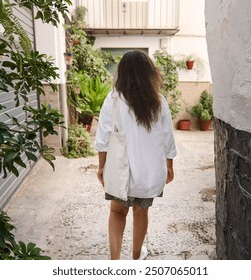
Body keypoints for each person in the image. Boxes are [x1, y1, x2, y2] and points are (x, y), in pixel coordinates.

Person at [94, 50, 177, 260]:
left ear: (121, 73)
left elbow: (102, 138)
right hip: (147, 173)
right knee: (141, 212)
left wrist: (102, 166)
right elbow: (168, 137)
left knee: (117, 212)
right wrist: (169, 166)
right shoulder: (158, 101)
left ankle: (115, 262)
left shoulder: (112, 99)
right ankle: (136, 256)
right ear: (148, 72)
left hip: (120, 171)